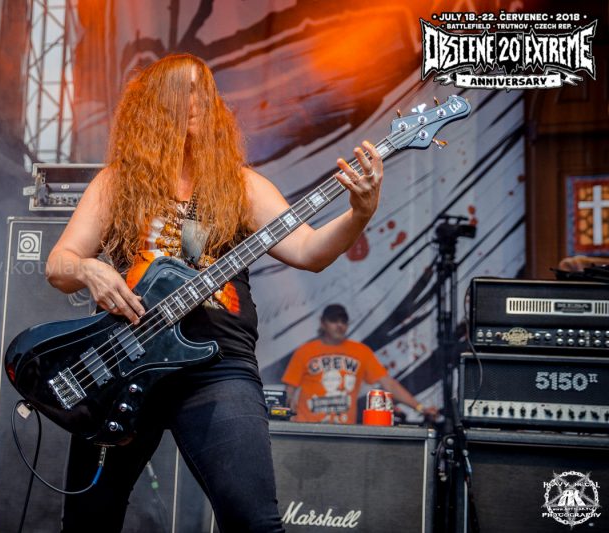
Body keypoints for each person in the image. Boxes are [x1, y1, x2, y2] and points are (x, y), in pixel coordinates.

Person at [45, 53, 383, 533]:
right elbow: (58, 265)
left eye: (204, 89)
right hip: (126, 365)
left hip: (217, 367)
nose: (199, 100)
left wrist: (359, 213)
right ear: (155, 105)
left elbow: (309, 250)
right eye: (185, 90)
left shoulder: (240, 185)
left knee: (253, 522)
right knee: (87, 524)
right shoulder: (116, 183)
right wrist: (88, 269)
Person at [282, 304, 439, 424]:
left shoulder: (361, 352)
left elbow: (389, 384)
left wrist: (420, 407)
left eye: (343, 321)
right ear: (323, 323)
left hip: (344, 432)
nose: (339, 325)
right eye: (334, 321)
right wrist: (288, 413)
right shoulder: (305, 351)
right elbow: (289, 391)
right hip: (308, 428)